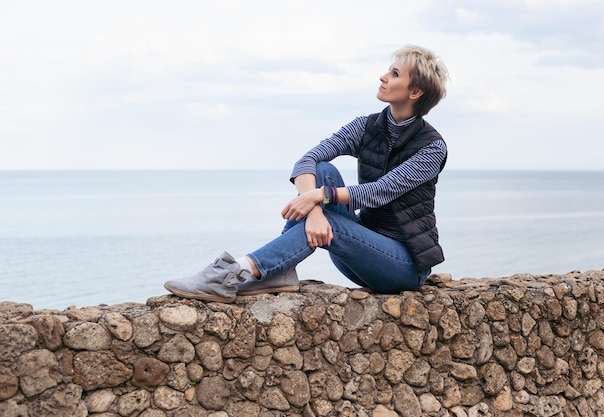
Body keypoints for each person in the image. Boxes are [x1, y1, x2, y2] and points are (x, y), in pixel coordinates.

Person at [164, 44, 449, 303]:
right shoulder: (366, 127)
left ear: (414, 92)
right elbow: (308, 159)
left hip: (402, 266)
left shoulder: (432, 147)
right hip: (358, 249)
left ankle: (235, 272)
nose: (383, 77)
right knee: (323, 169)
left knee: (328, 212)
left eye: (395, 73)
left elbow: (380, 191)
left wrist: (320, 196)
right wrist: (314, 209)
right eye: (389, 69)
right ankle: (281, 271)